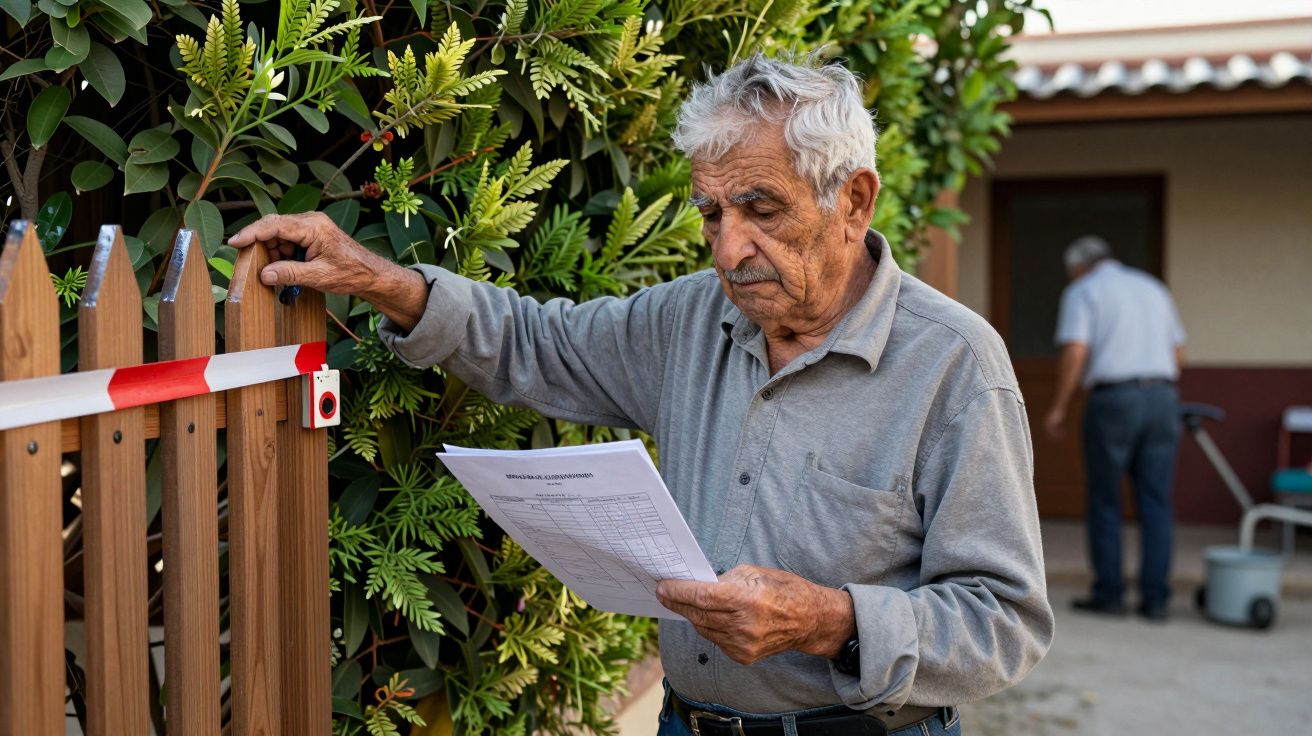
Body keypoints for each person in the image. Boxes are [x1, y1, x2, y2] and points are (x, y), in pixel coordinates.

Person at [230, 54, 1052, 735]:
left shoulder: (953, 364)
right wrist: (384, 280)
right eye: (711, 214)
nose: (730, 250)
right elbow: (534, 343)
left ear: (855, 200)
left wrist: (831, 620)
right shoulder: (693, 317)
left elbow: (1004, 621)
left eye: (761, 208)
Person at [1044, 235, 1186, 622]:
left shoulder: (1084, 290)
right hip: (1162, 397)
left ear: (1078, 267)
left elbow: (1076, 349)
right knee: (1156, 499)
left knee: (1106, 499)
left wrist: (1059, 406)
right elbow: (1177, 353)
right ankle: (1156, 599)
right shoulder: (1152, 287)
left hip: (1114, 400)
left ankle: (1110, 594)